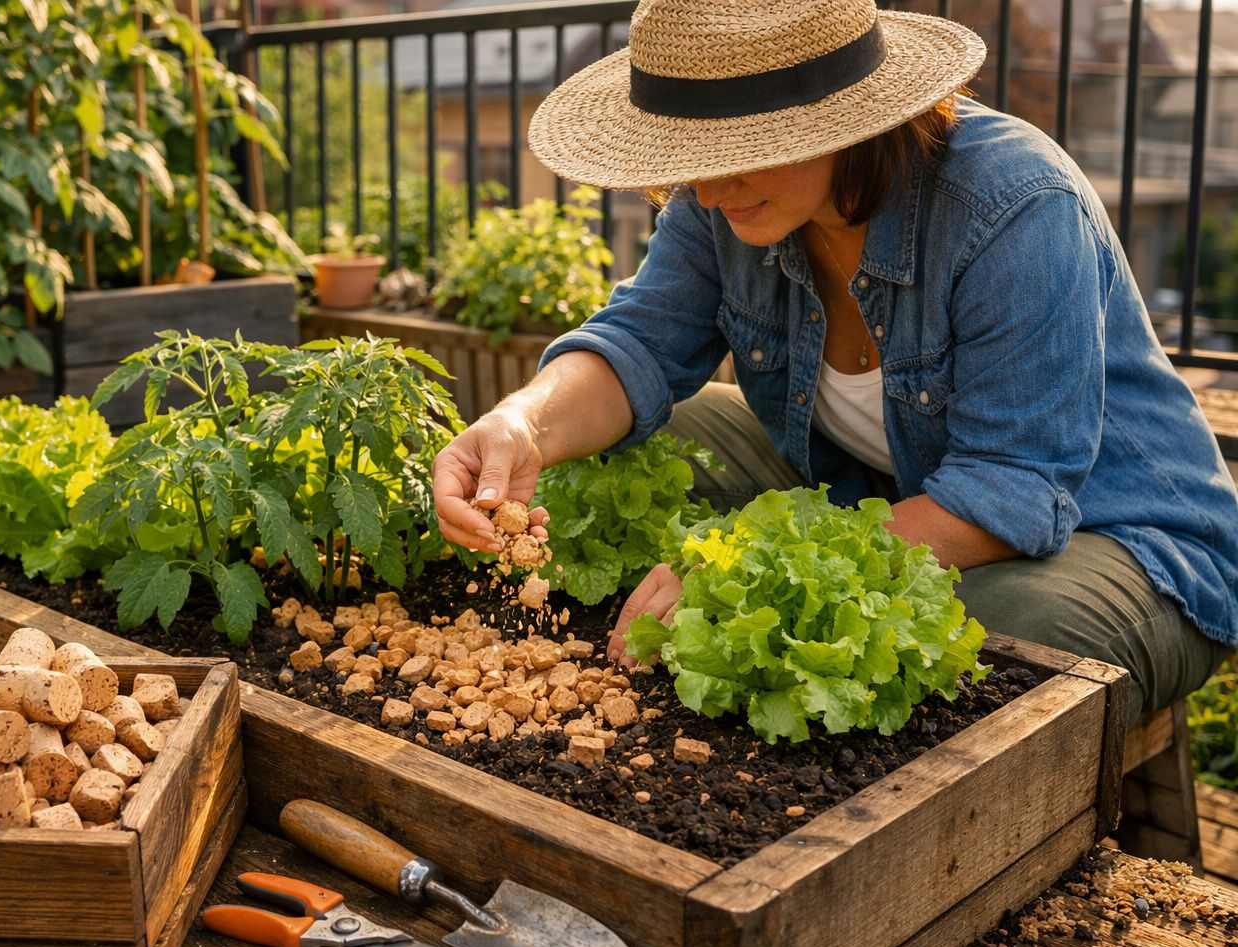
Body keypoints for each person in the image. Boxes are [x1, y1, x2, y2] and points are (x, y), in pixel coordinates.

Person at [431, 0, 1238, 727]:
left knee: (976, 641)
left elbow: (1011, 494)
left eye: (740, 150)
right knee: (655, 441)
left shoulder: (1014, 204)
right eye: (688, 154)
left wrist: (747, 565)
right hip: (887, 491)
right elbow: (639, 341)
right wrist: (521, 422)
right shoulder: (723, 202)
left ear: (843, 122)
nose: (707, 191)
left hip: (1123, 537)